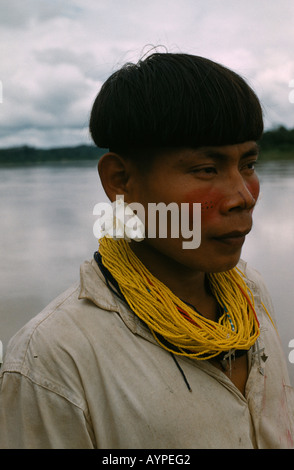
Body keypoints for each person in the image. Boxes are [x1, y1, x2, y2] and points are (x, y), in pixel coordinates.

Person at [0, 52, 293, 449]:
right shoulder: (52, 360)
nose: (243, 196)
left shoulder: (250, 292)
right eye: (206, 169)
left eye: (249, 163)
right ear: (121, 180)